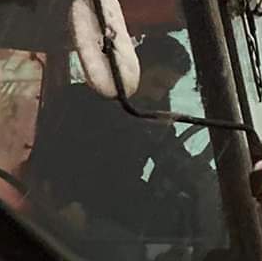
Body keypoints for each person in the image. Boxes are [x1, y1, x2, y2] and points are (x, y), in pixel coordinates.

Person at [27, 33, 199, 245]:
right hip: (80, 208)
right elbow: (49, 158)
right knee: (127, 255)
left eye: (166, 90)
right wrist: (65, 201)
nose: (158, 96)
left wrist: (203, 180)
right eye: (156, 83)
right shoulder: (77, 102)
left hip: (120, 201)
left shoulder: (150, 114)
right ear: (136, 68)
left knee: (188, 220)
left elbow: (173, 157)